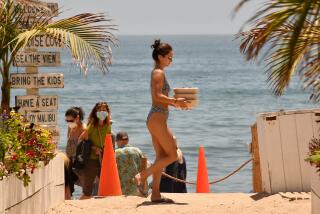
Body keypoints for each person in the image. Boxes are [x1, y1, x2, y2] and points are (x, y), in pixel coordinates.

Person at [133, 39, 188, 203]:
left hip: (157, 119)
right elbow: (157, 97)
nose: (171, 60)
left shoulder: (158, 71)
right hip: (157, 119)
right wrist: (175, 101)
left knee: (161, 156)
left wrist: (175, 102)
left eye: (172, 58)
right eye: (169, 57)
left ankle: (155, 194)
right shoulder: (158, 73)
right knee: (172, 155)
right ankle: (142, 176)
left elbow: (160, 98)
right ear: (160, 56)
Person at [79, 101, 112, 199]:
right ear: (96, 112)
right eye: (100, 110)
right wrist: (94, 148)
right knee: (87, 190)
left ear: (107, 112)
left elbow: (108, 141)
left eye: (104, 110)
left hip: (103, 159)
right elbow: (82, 138)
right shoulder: (92, 125)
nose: (102, 111)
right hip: (91, 159)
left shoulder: (108, 125)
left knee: (106, 186)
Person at [65, 106, 86, 199]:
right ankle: (69, 198)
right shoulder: (70, 128)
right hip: (69, 159)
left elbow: (84, 146)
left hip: (79, 160)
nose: (69, 123)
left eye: (70, 121)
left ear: (77, 118)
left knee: (84, 183)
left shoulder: (84, 129)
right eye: (67, 121)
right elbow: (68, 141)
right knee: (68, 182)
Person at [115, 131, 145, 196]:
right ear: (128, 140)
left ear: (117, 141)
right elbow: (144, 164)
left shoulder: (115, 153)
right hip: (136, 188)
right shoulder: (137, 150)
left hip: (122, 189)